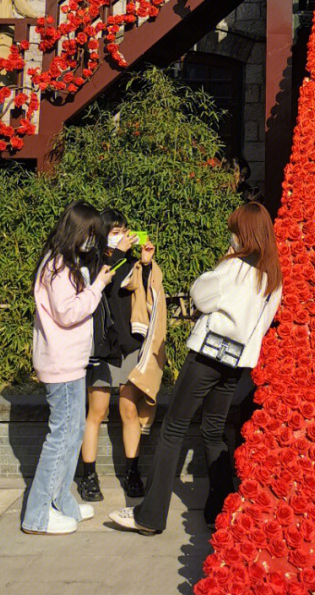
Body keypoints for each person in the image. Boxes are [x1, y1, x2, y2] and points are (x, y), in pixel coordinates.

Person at [109, 201, 283, 535]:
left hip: (206, 355)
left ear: (242, 233)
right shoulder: (272, 277)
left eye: (233, 230)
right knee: (213, 431)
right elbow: (261, 326)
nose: (229, 235)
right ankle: (219, 511)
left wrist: (224, 262)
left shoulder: (232, 269)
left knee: (173, 429)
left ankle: (149, 516)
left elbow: (200, 296)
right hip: (235, 363)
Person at [22, 202, 114, 536]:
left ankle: (62, 501)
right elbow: (67, 312)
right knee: (61, 438)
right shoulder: (59, 266)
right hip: (62, 365)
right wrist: (98, 285)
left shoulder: (61, 261)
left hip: (67, 362)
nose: (92, 239)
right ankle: (37, 515)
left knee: (71, 435)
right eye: (90, 233)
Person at [77, 210, 166, 504]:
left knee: (129, 410)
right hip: (102, 348)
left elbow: (147, 293)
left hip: (129, 347)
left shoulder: (131, 262)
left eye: (124, 230)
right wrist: (114, 253)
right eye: (115, 230)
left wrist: (147, 262)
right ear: (103, 233)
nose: (121, 235)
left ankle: (132, 472)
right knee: (97, 412)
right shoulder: (91, 260)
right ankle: (88, 475)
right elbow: (100, 284)